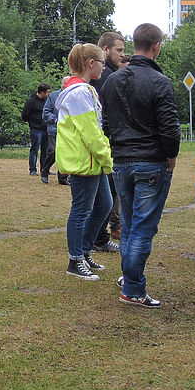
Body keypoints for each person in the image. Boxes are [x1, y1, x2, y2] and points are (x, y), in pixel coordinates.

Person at [102, 23, 180, 308]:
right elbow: (169, 127)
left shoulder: (112, 81)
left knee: (131, 224)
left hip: (122, 161)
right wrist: (171, 158)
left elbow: (106, 124)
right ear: (156, 46)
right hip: (150, 162)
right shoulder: (160, 81)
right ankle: (133, 288)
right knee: (142, 228)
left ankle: (129, 277)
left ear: (134, 44)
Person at [55, 44, 113, 280]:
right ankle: (75, 259)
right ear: (90, 63)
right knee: (81, 210)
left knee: (104, 205)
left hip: (92, 161)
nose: (104, 66)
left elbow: (94, 130)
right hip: (84, 161)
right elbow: (91, 133)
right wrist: (107, 159)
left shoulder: (84, 90)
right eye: (102, 62)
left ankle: (85, 252)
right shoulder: (79, 93)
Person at [89, 31, 128, 252]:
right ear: (105, 50)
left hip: (105, 140)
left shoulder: (108, 74)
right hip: (106, 141)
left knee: (106, 193)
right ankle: (97, 238)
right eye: (118, 50)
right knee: (106, 193)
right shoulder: (107, 76)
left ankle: (97, 237)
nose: (122, 54)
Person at [41, 76, 71, 185]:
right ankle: (45, 170)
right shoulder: (53, 96)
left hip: (68, 130)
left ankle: (63, 177)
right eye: (64, 83)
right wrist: (54, 119)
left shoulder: (73, 96)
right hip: (54, 129)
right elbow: (46, 112)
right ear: (61, 84)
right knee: (53, 152)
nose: (66, 85)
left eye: (68, 83)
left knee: (65, 154)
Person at [21, 83, 51, 177]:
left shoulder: (47, 100)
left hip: (45, 128)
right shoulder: (31, 101)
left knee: (45, 150)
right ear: (42, 92)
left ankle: (44, 169)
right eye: (47, 92)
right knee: (35, 149)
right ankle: (33, 169)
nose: (49, 94)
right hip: (36, 129)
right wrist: (33, 122)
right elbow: (24, 115)